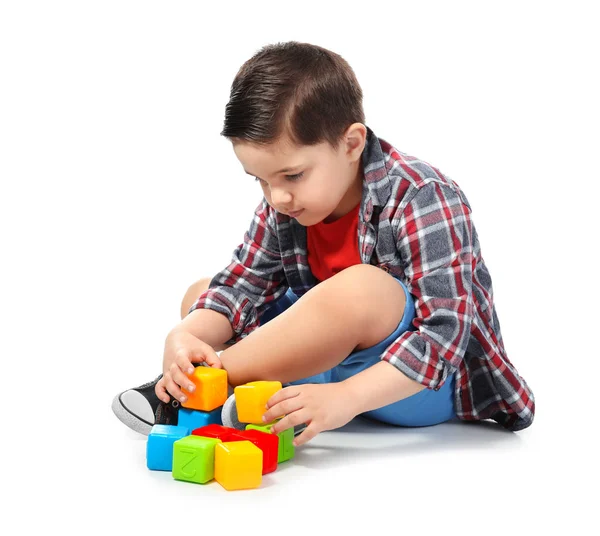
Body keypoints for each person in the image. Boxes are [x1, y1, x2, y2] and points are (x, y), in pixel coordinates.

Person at [112, 41, 535, 447]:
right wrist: (184, 336)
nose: (276, 197)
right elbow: (240, 285)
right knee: (201, 296)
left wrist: (347, 400)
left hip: (414, 382)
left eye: (292, 176)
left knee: (362, 288)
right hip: (328, 361)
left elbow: (442, 341)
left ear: (351, 144)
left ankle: (198, 387)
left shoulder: (423, 196)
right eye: (260, 180)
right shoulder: (286, 205)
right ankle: (258, 397)